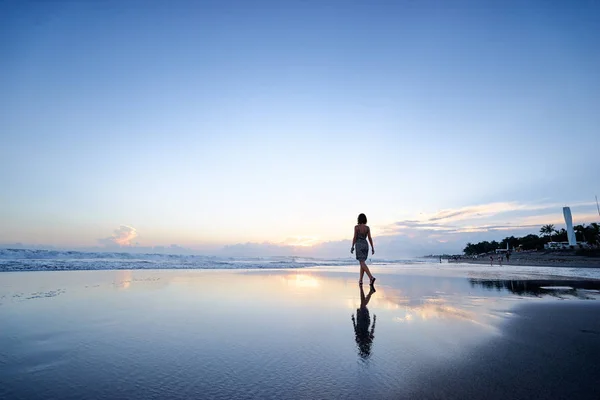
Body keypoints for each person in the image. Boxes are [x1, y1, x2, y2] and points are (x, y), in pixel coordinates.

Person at [351, 284, 377, 360]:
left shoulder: (365, 341)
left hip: (365, 322)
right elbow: (356, 329)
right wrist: (353, 320)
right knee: (363, 304)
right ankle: (368, 291)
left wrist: (374, 321)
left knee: (363, 304)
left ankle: (365, 289)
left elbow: (371, 331)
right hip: (362, 321)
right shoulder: (361, 341)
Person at [351, 213, 376, 285]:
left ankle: (371, 277)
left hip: (359, 245)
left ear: (358, 219)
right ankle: (361, 280)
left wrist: (352, 246)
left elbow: (354, 237)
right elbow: (369, 238)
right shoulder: (367, 228)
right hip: (365, 245)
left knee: (362, 262)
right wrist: (372, 247)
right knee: (362, 263)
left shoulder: (356, 227)